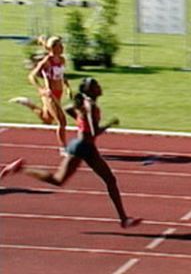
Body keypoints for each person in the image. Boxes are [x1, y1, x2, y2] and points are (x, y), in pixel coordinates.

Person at [0, 77, 142, 229]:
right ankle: (21, 169)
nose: (99, 87)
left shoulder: (87, 104)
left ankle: (124, 219)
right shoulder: (90, 106)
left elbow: (69, 109)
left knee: (110, 180)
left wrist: (81, 121)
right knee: (58, 180)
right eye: (95, 86)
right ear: (88, 90)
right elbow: (94, 132)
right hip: (82, 147)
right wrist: (109, 124)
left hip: (87, 148)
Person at [9, 36, 72, 155]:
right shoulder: (47, 61)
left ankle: (27, 103)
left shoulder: (62, 60)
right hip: (50, 95)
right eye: (60, 45)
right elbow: (31, 76)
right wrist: (41, 89)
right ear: (54, 48)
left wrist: (68, 87)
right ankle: (63, 148)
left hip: (59, 93)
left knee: (47, 119)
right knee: (62, 121)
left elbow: (62, 75)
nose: (63, 47)